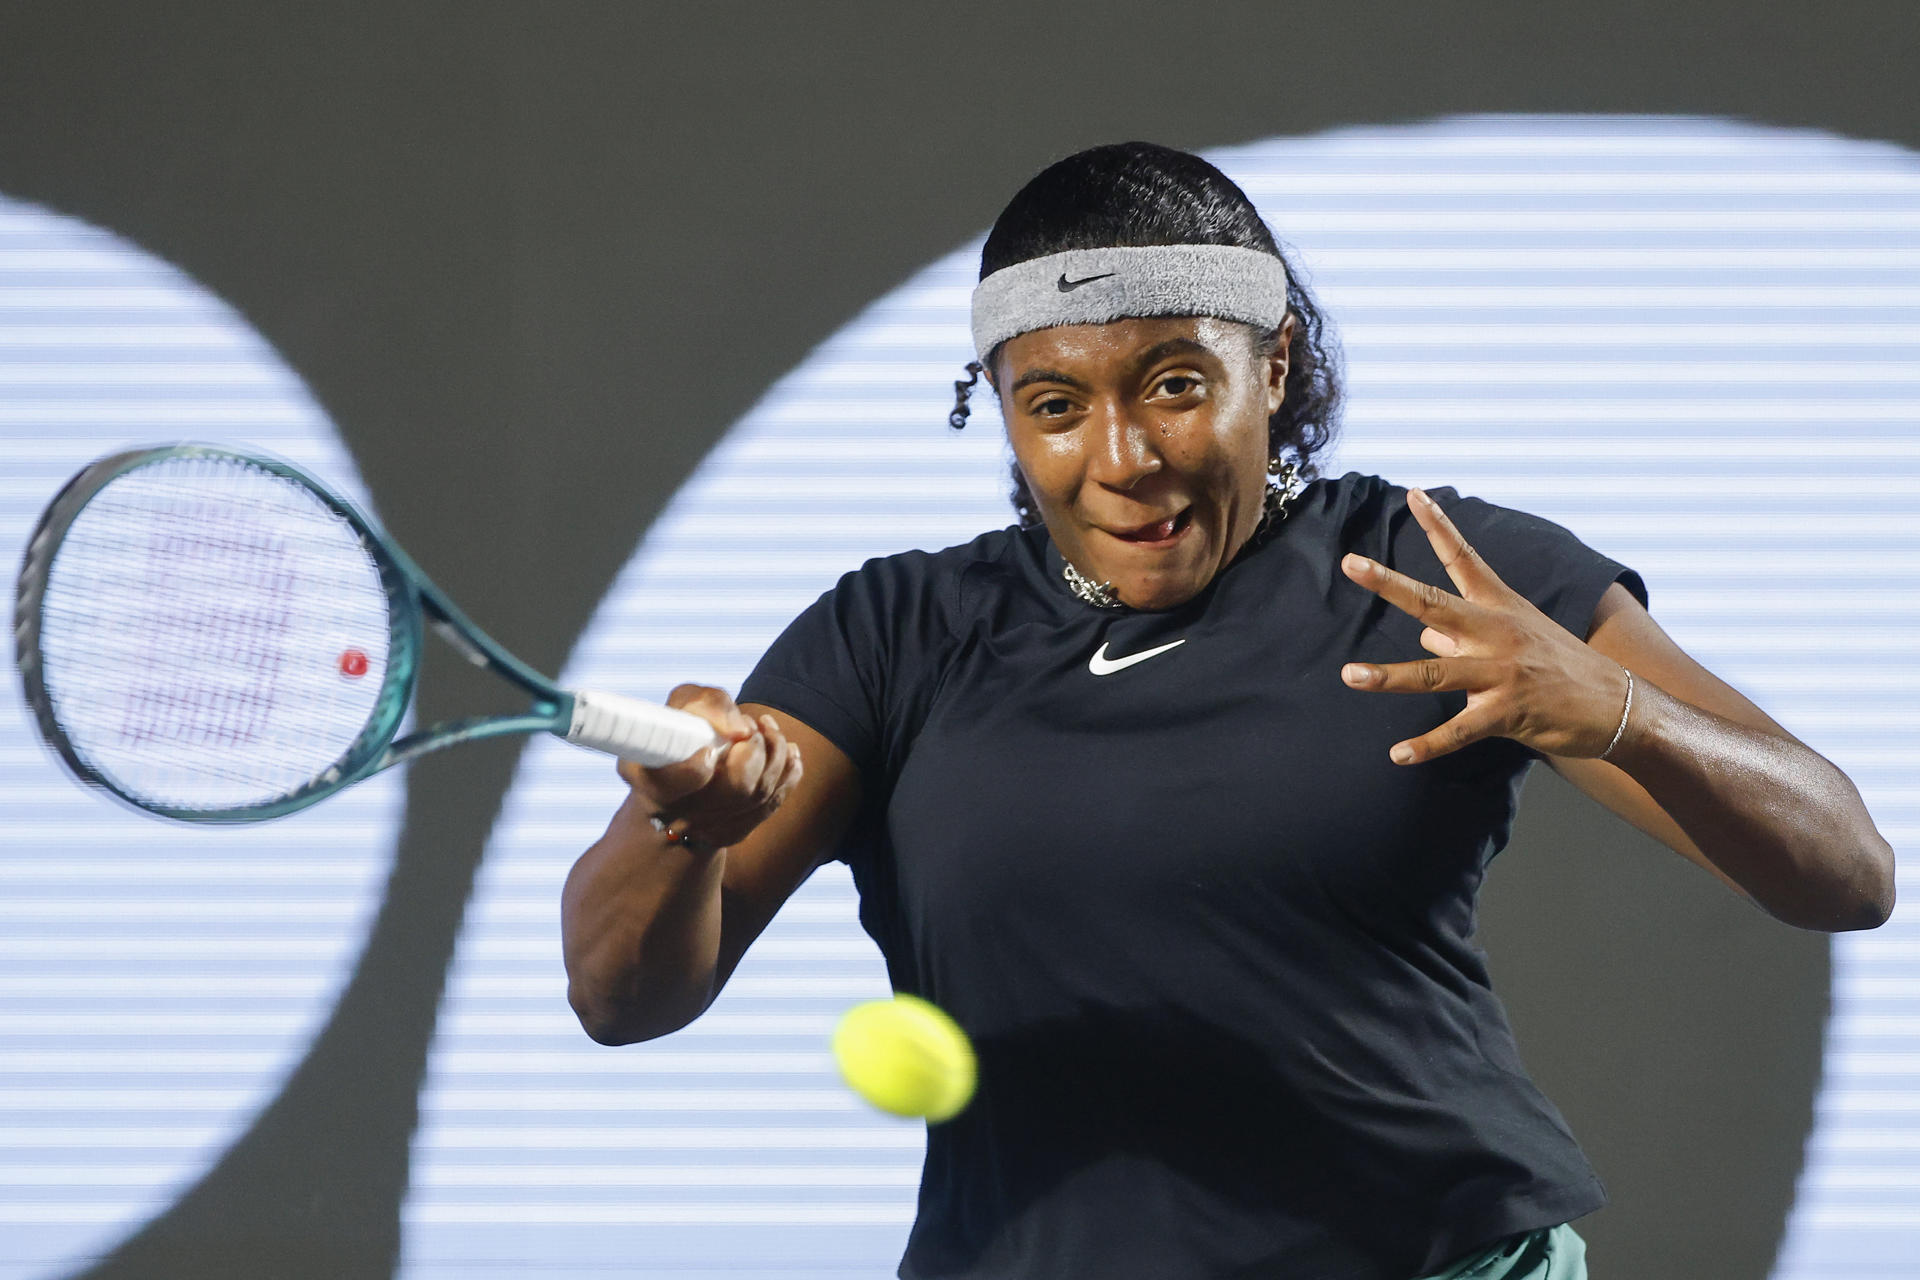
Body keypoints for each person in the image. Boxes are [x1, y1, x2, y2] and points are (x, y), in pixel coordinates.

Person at [560, 142, 1895, 1280]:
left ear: (1275, 365)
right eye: (1055, 407)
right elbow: (621, 999)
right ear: (1007, 419)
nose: (1123, 458)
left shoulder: (1431, 563)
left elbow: (1846, 870)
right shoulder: (899, 635)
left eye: (1175, 385)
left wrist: (1617, 708)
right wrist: (676, 827)